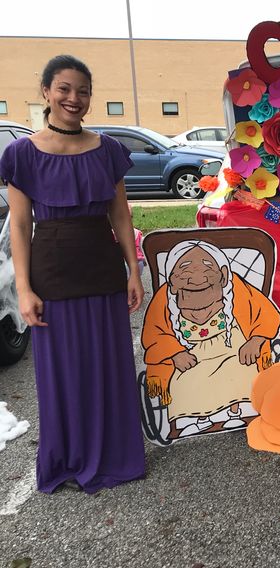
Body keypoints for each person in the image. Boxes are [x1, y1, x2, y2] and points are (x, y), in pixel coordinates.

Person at [1, 55, 145, 493]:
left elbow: (121, 216)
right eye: (64, 88)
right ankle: (69, 458)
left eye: (82, 90)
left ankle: (116, 455)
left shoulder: (107, 150)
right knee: (61, 371)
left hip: (101, 267)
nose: (74, 98)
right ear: (46, 91)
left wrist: (133, 271)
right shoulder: (22, 154)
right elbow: (20, 226)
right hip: (52, 272)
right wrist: (23, 288)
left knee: (109, 364)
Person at [142, 239, 280, 440]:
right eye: (185, 267)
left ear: (223, 276)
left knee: (242, 368)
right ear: (172, 281)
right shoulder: (164, 297)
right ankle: (195, 420)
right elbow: (153, 333)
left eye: (208, 265)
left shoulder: (237, 287)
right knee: (184, 379)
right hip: (189, 353)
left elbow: (266, 314)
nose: (197, 276)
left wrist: (255, 340)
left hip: (231, 347)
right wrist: (174, 353)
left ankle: (237, 413)